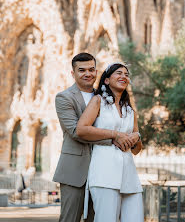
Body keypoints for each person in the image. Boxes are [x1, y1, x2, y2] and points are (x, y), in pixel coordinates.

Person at [53, 53, 132, 222]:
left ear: (97, 72)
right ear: (73, 73)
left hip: (102, 172)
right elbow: (76, 132)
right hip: (74, 171)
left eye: (91, 69)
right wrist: (113, 139)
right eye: (81, 70)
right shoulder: (64, 97)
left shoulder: (105, 96)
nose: (87, 73)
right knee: (69, 219)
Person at [77, 63, 144, 222]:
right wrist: (115, 135)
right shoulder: (97, 101)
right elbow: (81, 129)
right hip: (104, 174)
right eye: (118, 73)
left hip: (129, 175)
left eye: (126, 74)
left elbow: (136, 150)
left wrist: (137, 137)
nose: (123, 76)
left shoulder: (130, 110)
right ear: (106, 80)